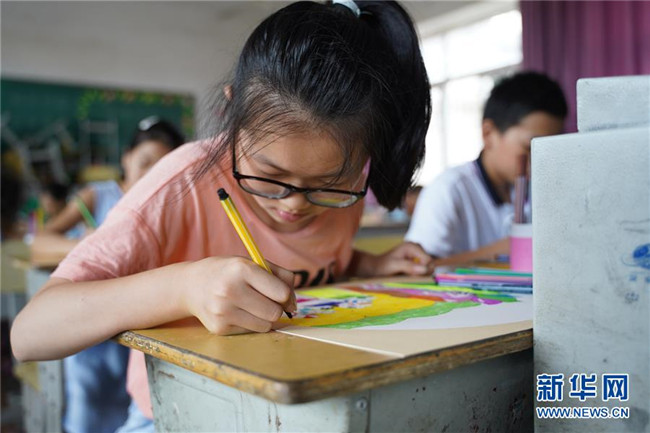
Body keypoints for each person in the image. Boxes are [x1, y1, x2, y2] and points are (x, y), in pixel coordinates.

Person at [11, 1, 434, 429]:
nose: (294, 204)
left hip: (302, 401)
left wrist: (369, 265)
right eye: (270, 176)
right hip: (179, 410)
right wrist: (185, 288)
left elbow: (319, 263)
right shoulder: (179, 186)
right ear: (232, 112)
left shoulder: (348, 187)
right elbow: (30, 333)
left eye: (326, 184)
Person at [41, 118, 184, 433]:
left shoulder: (171, 205)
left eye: (164, 166)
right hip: (95, 331)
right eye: (145, 162)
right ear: (126, 158)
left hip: (144, 328)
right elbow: (41, 240)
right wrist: (90, 247)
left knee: (138, 405)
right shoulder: (99, 195)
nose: (152, 174)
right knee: (90, 411)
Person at [405, 71, 567, 263]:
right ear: (488, 134)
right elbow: (417, 267)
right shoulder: (448, 190)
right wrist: (499, 251)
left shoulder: (539, 191)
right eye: (530, 147)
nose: (542, 161)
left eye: (551, 150)